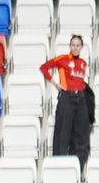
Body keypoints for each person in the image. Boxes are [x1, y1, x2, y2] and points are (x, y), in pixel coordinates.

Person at [39, 34, 91, 165]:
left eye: (78, 45)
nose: (75, 48)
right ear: (70, 46)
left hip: (81, 100)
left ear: (81, 47)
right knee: (62, 134)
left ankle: (77, 166)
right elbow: (44, 68)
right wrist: (56, 84)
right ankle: (59, 165)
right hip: (67, 98)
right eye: (73, 45)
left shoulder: (83, 63)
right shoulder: (63, 59)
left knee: (80, 136)